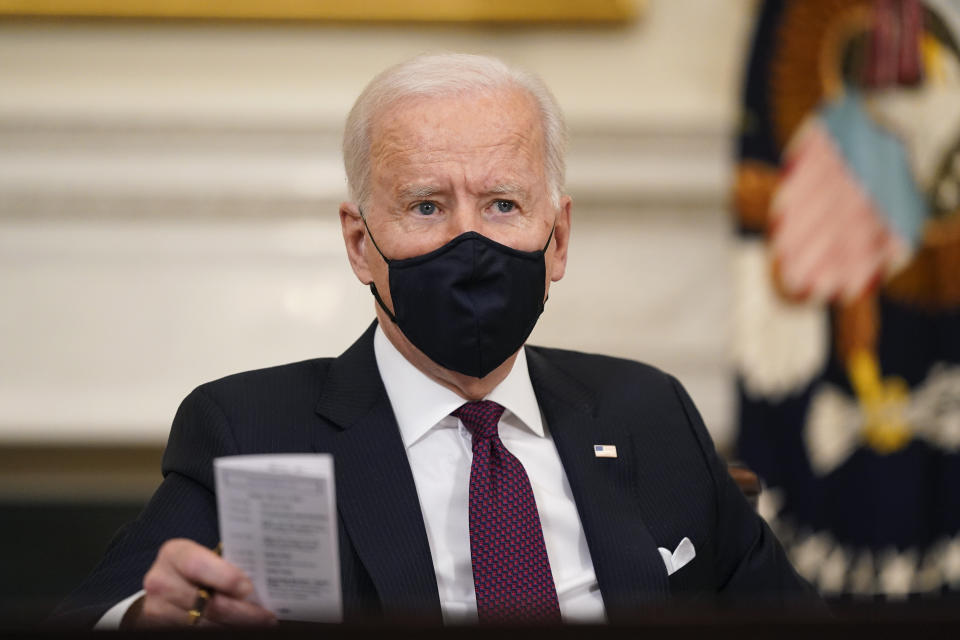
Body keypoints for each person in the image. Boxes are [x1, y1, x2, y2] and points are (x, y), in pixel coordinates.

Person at [51, 53, 817, 629]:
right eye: (424, 206)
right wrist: (150, 620)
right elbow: (96, 615)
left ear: (558, 239)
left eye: (503, 203)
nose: (469, 241)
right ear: (359, 243)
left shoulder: (647, 411)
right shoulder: (252, 427)